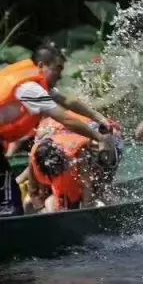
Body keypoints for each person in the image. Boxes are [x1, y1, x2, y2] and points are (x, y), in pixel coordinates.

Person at [0, 43, 117, 216]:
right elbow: (65, 118)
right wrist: (99, 139)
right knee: (9, 205)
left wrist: (99, 118)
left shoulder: (36, 85)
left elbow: (67, 101)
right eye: (58, 68)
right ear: (41, 65)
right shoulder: (30, 90)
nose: (61, 75)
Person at [27, 136, 92, 212]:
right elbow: (33, 192)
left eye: (57, 171)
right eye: (53, 173)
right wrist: (42, 209)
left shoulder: (77, 154)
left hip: (79, 189)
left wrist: (85, 210)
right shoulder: (34, 159)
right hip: (55, 194)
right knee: (48, 205)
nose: (56, 175)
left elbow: (87, 185)